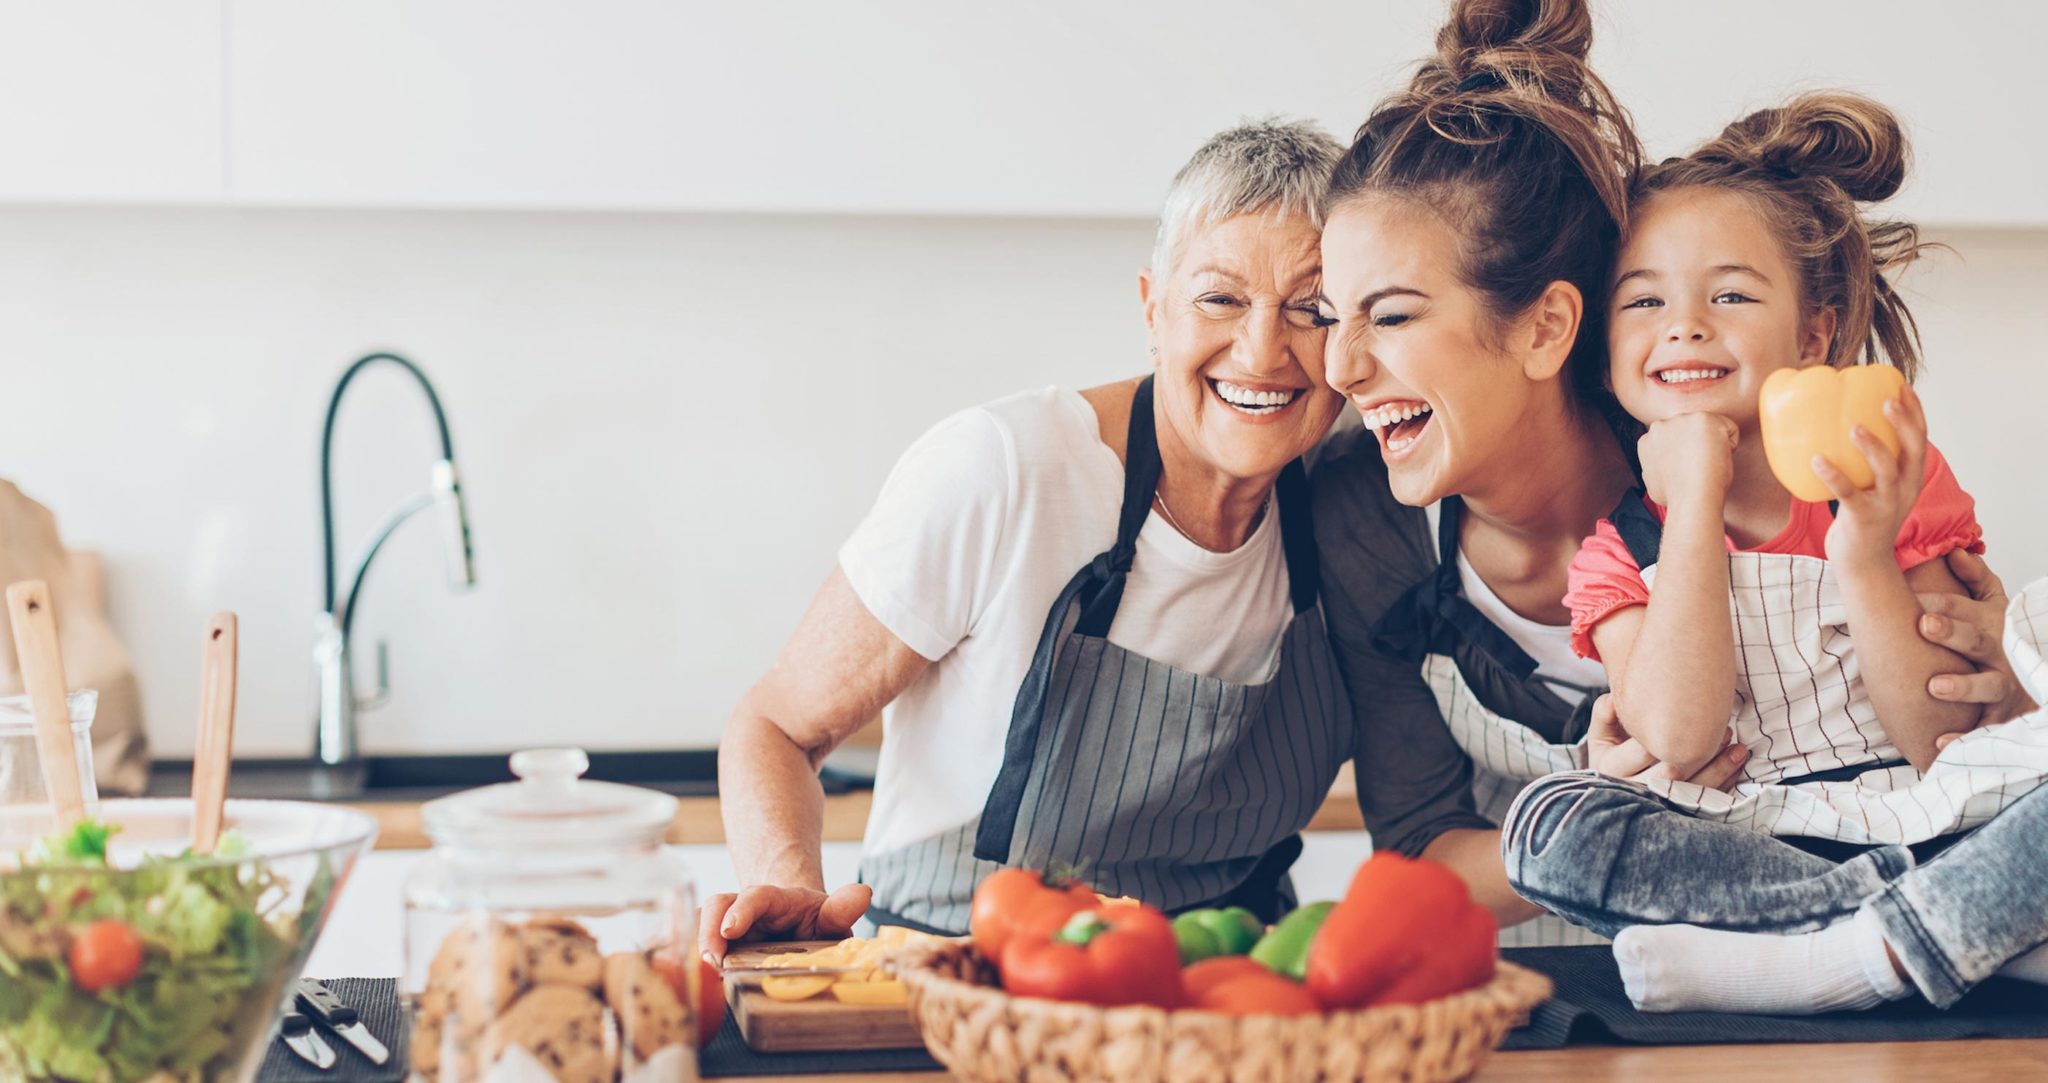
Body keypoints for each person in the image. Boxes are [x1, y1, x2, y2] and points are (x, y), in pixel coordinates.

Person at [1310, 0, 2023, 947]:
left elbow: (1948, 725)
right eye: (1331, 316)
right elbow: (1418, 855)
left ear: (1551, 327)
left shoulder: (1717, 435)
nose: (1339, 367)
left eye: (1391, 316)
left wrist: (2005, 672)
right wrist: (1610, 796)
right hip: (1593, 970)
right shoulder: (1372, 517)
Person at [700, 119, 1353, 961]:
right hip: (953, 978)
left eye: (1313, 308)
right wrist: (792, 885)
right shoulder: (1007, 470)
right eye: (1219, 298)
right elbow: (775, 724)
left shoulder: (1361, 503)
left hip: (1224, 988)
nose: (1264, 350)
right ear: (1153, 309)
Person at [1500, 93, 2048, 1016]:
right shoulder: (1617, 552)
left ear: (1814, 335)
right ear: (1603, 355)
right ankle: (1949, 934)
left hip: (1934, 819)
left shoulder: (1885, 474)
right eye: (1644, 300)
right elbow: (1681, 738)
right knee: (1549, 825)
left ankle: (1848, 956)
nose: (1685, 325)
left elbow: (1935, 739)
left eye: (1731, 294)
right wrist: (1695, 499)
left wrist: (1867, 550)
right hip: (1756, 849)